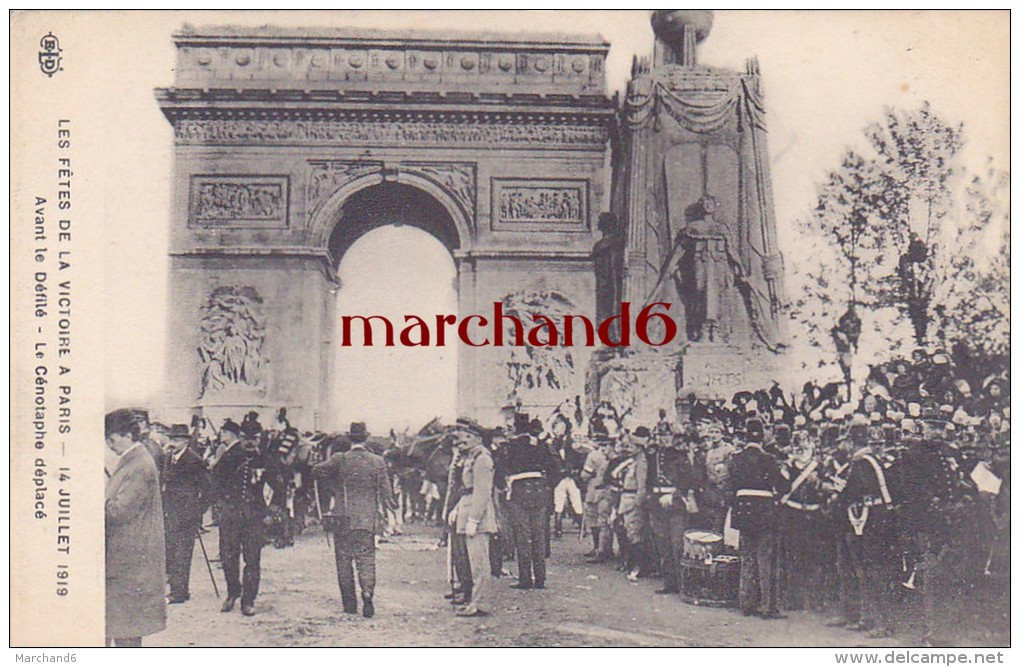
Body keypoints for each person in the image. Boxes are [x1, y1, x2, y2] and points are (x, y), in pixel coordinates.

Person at [312, 421, 396, 618]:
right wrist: (388, 510)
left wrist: (335, 486)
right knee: (366, 558)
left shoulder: (340, 459)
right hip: (367, 519)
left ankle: (349, 604)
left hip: (343, 517)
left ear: (350, 438)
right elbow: (387, 492)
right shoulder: (378, 461)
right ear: (366, 438)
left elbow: (316, 471)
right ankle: (367, 594)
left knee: (344, 560)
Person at [105, 408, 167, 647]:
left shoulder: (139, 463)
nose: (110, 445)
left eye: (112, 439)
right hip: (126, 558)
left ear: (127, 435)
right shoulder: (133, 460)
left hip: (130, 560)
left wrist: (93, 503)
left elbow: (120, 511)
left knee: (127, 631)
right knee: (122, 626)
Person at [729, 417, 787, 619]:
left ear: (745, 438)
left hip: (743, 511)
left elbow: (731, 488)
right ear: (762, 437)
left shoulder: (735, 459)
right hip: (764, 512)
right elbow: (781, 486)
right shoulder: (769, 459)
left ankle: (746, 602)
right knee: (766, 559)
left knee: (747, 558)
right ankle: (768, 606)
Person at [210, 418, 269, 617]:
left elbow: (279, 485)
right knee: (228, 556)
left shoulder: (266, 458)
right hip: (231, 514)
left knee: (252, 559)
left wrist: (273, 511)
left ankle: (248, 600)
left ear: (260, 439)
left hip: (254, 517)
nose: (250, 443)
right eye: (245, 438)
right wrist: (222, 502)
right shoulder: (230, 456)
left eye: (255, 439)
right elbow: (215, 480)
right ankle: (233, 592)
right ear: (240, 437)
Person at [161, 423, 213, 604]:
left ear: (185, 441)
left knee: (182, 554)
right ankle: (177, 589)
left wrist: (197, 511)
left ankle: (180, 592)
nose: (172, 443)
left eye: (176, 440)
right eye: (171, 439)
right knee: (172, 551)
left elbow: (207, 489)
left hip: (186, 516)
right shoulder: (168, 458)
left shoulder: (194, 460)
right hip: (170, 513)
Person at [451, 418, 497, 617]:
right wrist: (456, 509)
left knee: (479, 563)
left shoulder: (482, 458)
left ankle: (481, 603)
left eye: (469, 436)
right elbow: (467, 490)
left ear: (478, 438)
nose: (464, 439)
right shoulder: (471, 456)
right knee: (471, 562)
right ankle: (475, 601)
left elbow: (482, 491)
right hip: (467, 507)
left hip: (477, 515)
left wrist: (474, 519)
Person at [503, 413, 555, 590]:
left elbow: (502, 468)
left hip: (519, 492)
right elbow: (555, 466)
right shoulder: (541, 445)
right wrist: (547, 485)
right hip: (540, 490)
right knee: (539, 535)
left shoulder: (511, 445)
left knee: (523, 536)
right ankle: (540, 578)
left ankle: (525, 578)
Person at [646, 429, 701, 594]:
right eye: (660, 435)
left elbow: (690, 480)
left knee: (677, 545)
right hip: (657, 505)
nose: (663, 439)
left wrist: (673, 494)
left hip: (676, 505)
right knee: (663, 545)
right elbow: (649, 480)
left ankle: (683, 583)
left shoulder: (680, 456)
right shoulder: (653, 456)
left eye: (666, 435)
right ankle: (670, 582)